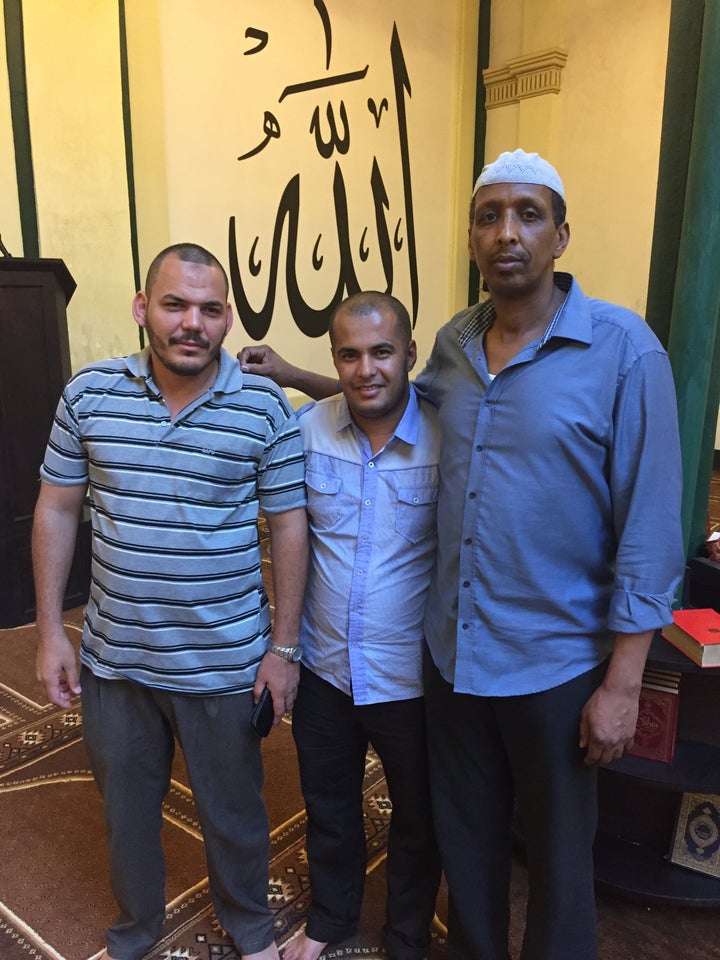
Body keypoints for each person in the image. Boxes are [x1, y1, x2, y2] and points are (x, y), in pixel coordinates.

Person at [239, 149, 685, 960]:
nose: (506, 232)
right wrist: (299, 374)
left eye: (527, 214)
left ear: (560, 234)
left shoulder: (625, 352)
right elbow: (384, 396)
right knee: (468, 845)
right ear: (473, 238)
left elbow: (651, 533)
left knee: (556, 862)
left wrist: (624, 684)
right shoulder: (454, 343)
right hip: (449, 664)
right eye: (489, 216)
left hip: (554, 665)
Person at [33, 243, 309, 960]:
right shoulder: (88, 395)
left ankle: (250, 927)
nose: (193, 322)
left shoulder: (262, 406)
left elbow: (289, 527)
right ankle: (135, 931)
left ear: (227, 320)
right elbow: (58, 510)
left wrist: (283, 649)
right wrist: (49, 634)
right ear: (141, 308)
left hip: (224, 664)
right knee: (126, 817)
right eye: (175, 304)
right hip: (114, 663)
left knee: (234, 814)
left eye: (210, 309)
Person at [283, 291, 441, 960]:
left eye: (381, 352)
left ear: (410, 354)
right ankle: (331, 918)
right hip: (323, 668)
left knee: (418, 821)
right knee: (329, 809)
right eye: (349, 354)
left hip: (413, 679)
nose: (365, 368)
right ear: (335, 359)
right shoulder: (305, 431)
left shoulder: (449, 436)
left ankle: (407, 937)